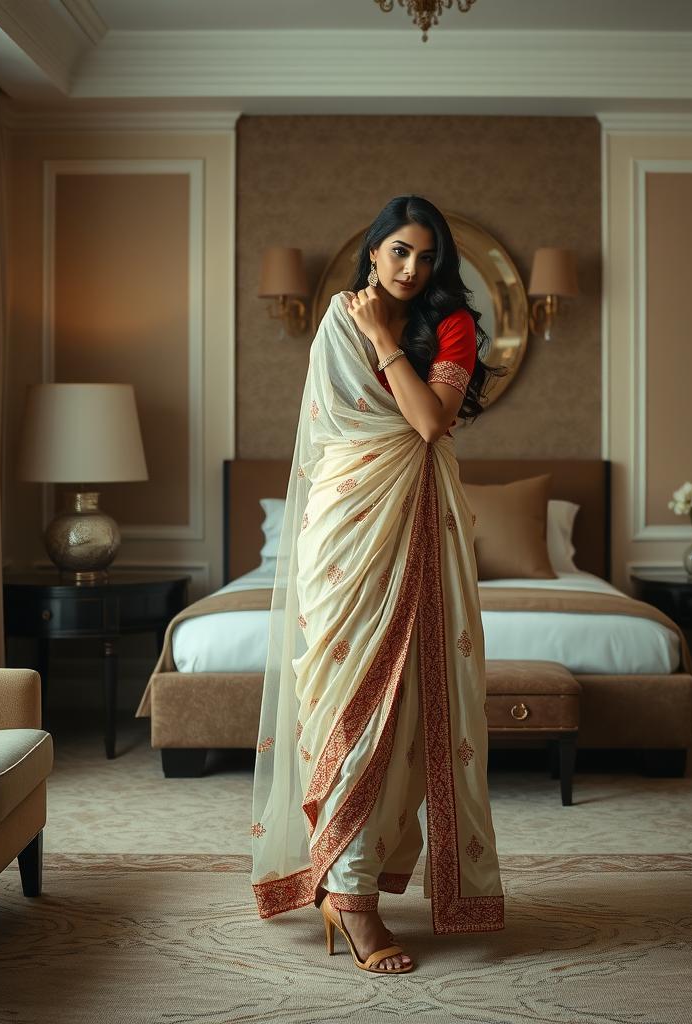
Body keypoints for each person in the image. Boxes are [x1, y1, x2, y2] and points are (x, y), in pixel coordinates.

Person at [249, 195, 506, 974]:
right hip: (344, 526)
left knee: (404, 709)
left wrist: (387, 340)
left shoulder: (451, 325)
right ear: (373, 251)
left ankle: (353, 888)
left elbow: (430, 425)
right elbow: (342, 431)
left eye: (426, 257)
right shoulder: (338, 317)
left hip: (415, 523)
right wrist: (368, 329)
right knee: (344, 699)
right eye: (398, 251)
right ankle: (347, 896)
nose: (411, 268)